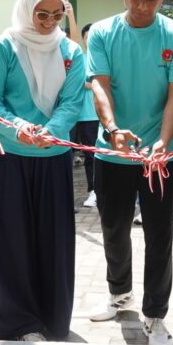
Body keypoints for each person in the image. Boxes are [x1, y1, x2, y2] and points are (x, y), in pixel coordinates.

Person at [0, 0, 85, 341]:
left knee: (52, 240)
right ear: (26, 9)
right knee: (10, 239)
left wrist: (53, 129)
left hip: (53, 154)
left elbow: (72, 101)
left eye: (56, 14)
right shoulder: (5, 46)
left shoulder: (70, 51)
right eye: (41, 14)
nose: (48, 22)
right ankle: (16, 321)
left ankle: (51, 317)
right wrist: (18, 127)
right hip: (7, 154)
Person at [87, 0, 173, 345]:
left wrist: (165, 140)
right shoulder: (101, 32)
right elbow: (100, 86)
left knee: (160, 235)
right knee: (113, 229)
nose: (143, 6)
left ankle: (155, 315)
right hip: (112, 151)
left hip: (160, 157)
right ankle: (119, 294)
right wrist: (113, 130)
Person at [71, 23, 99, 208]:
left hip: (92, 116)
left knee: (92, 156)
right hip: (73, 115)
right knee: (67, 155)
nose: (89, 40)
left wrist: (89, 84)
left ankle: (94, 191)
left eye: (92, 36)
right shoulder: (78, 57)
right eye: (86, 37)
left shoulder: (101, 58)